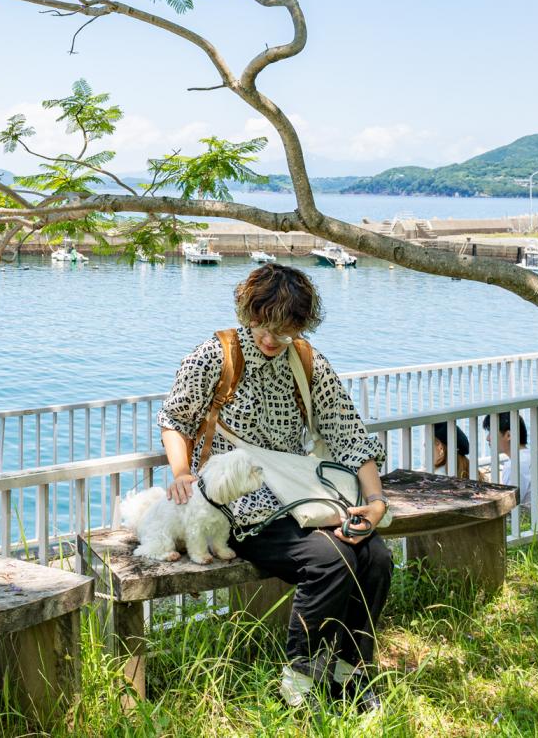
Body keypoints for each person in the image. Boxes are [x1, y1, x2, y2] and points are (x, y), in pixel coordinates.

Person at [157, 263, 392, 712]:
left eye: (284, 332)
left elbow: (349, 434)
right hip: (237, 509)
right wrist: (182, 472)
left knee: (375, 555)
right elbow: (175, 418)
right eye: (264, 326)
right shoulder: (216, 354)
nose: (271, 340)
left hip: (301, 499)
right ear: (248, 311)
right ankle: (300, 679)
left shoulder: (307, 361)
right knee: (330, 557)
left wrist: (376, 502)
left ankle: (350, 672)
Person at [481, 411, 538, 513]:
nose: (487, 438)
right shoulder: (535, 457)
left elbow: (508, 506)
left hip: (536, 519)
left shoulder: (514, 465)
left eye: (491, 432)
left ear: (508, 435)